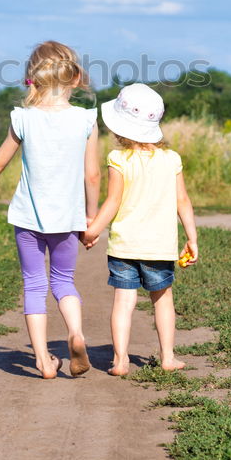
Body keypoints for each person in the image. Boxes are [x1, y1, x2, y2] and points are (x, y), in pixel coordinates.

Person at [0, 41, 100, 380]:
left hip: (28, 218)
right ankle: (75, 333)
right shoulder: (86, 120)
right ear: (75, 79)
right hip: (67, 219)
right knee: (63, 281)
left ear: (32, 78)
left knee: (33, 284)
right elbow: (92, 174)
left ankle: (43, 361)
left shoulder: (23, 118)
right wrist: (92, 218)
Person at [82, 83, 198, 375]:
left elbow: (113, 201)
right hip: (160, 246)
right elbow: (182, 200)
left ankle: (120, 360)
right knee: (163, 299)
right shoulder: (171, 159)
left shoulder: (118, 159)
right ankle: (168, 357)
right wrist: (192, 238)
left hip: (124, 245)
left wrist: (93, 229)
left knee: (124, 301)